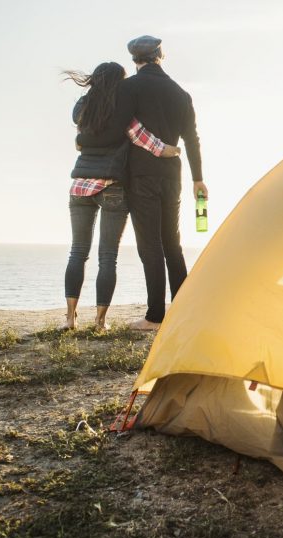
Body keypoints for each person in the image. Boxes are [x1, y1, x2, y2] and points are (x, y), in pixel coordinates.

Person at [62, 61, 180, 330]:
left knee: (77, 252)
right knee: (107, 256)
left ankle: (69, 319)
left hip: (80, 186)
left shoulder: (83, 109)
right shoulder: (120, 110)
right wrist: (173, 150)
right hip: (112, 186)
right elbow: (146, 141)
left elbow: (79, 139)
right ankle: (100, 322)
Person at [117, 35, 207, 331]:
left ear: (135, 60)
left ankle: (155, 316)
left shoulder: (128, 88)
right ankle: (183, 311)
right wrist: (198, 179)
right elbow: (192, 139)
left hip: (141, 174)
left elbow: (121, 127)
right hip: (173, 174)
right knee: (172, 242)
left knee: (150, 245)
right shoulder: (181, 94)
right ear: (161, 56)